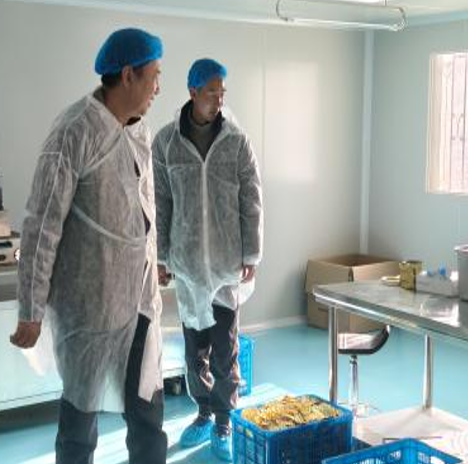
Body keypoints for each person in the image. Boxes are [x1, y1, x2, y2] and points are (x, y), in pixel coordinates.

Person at [7, 27, 167, 464]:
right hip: (90, 310)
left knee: (148, 413)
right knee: (80, 424)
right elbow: (42, 224)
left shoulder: (139, 131)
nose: (158, 87)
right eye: (154, 76)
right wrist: (31, 308)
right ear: (129, 75)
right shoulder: (74, 132)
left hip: (140, 303)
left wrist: (156, 263)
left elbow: (145, 209)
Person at [152, 57, 263, 461]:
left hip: (225, 265)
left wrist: (252, 252)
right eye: (212, 92)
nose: (219, 100)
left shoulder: (236, 141)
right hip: (186, 266)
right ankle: (202, 412)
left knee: (224, 350)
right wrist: (160, 256)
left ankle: (223, 421)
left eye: (222, 93)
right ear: (193, 92)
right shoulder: (166, 142)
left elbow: (251, 200)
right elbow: (159, 203)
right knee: (193, 350)